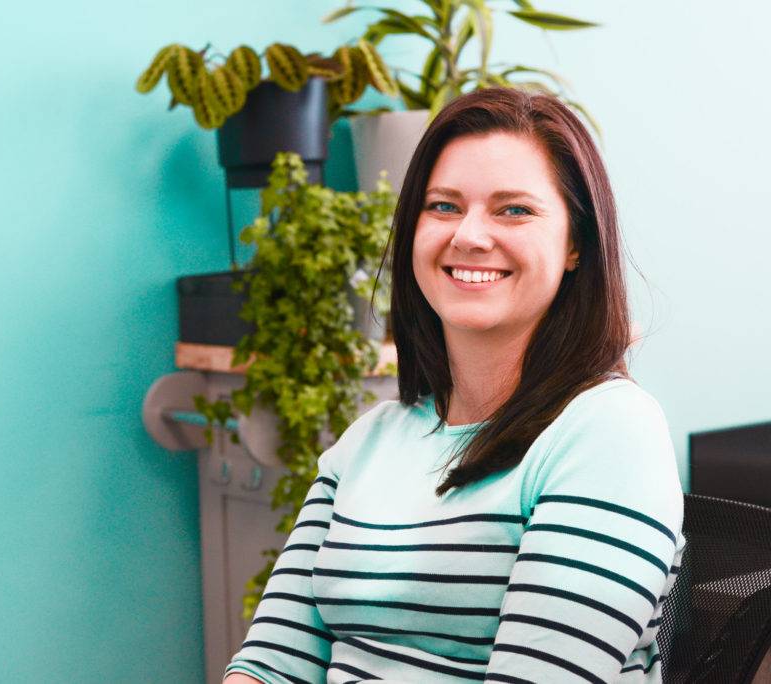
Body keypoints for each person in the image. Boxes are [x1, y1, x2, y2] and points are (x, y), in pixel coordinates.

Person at [223, 87, 685, 683]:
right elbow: (269, 665)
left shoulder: (608, 433)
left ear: (576, 243)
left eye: (513, 209)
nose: (468, 235)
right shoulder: (368, 441)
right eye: (442, 206)